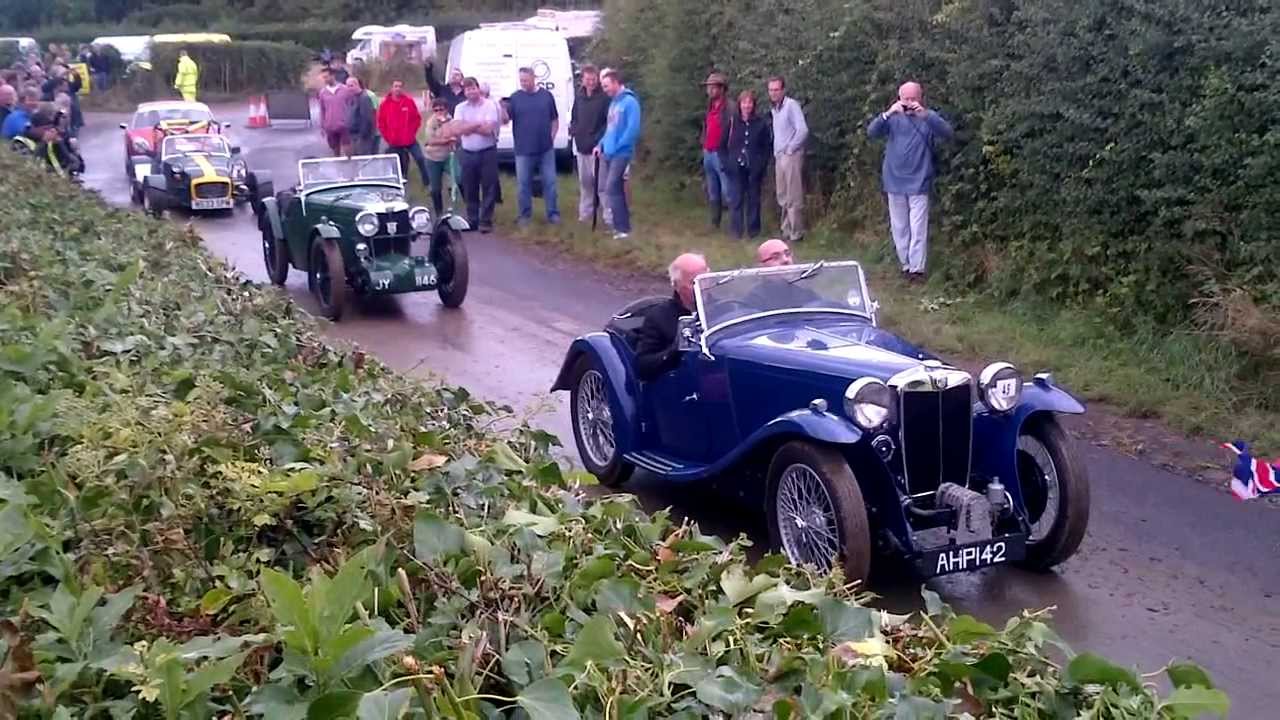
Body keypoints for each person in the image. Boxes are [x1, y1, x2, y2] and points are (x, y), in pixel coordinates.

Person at [867, 81, 954, 281]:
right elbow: (871, 132)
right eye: (905, 99)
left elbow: (948, 133)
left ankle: (917, 269)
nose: (909, 103)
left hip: (919, 179)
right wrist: (887, 113)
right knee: (899, 226)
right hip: (894, 179)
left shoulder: (927, 117)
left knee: (918, 227)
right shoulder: (892, 118)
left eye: (913, 98)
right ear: (899, 98)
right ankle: (905, 265)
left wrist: (926, 115)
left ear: (920, 98)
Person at [634, 253, 709, 381]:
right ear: (676, 285)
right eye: (694, 282)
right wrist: (675, 350)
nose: (704, 286)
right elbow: (642, 367)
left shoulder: (723, 307)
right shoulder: (659, 317)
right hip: (682, 383)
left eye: (706, 278)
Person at [506, 66, 561, 225]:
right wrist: (502, 109)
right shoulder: (515, 98)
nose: (523, 83)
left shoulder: (546, 96)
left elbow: (555, 120)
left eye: (526, 80)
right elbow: (505, 120)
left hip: (545, 149)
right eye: (521, 80)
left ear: (533, 78)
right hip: (523, 149)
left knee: (550, 182)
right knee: (523, 184)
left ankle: (553, 214)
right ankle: (525, 215)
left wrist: (551, 137)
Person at [595, 68, 641, 240]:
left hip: (621, 153)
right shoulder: (613, 104)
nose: (605, 90)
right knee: (616, 190)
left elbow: (632, 129)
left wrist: (618, 147)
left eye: (606, 86)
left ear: (616, 83)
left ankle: (622, 228)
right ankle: (622, 227)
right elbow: (610, 128)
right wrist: (600, 145)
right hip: (608, 152)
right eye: (603, 86)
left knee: (611, 188)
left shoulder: (630, 102)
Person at [454, 77, 502, 233]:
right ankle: (472, 219)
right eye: (467, 89)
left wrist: (468, 126)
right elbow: (459, 129)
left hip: (487, 151)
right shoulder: (460, 108)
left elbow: (489, 130)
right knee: (469, 187)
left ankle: (485, 221)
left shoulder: (490, 105)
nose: (471, 91)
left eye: (473, 88)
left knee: (489, 186)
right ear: (464, 91)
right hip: (467, 153)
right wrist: (477, 124)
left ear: (478, 88)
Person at [723, 89, 772, 239]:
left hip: (754, 168)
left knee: (753, 199)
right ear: (739, 104)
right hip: (736, 167)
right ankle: (736, 231)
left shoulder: (761, 123)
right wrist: (726, 162)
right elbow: (722, 144)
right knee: (736, 199)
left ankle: (753, 232)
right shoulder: (732, 121)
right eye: (744, 102)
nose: (747, 105)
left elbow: (766, 146)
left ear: (754, 105)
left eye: (750, 102)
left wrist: (761, 164)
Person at [768, 76, 808, 243]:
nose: (773, 93)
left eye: (776, 90)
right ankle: (786, 230)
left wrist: (791, 148)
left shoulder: (791, 105)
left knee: (793, 195)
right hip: (779, 156)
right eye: (771, 90)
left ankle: (796, 232)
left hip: (790, 156)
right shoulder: (775, 109)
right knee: (782, 195)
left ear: (783, 90)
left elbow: (802, 130)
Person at [569, 64, 610, 224]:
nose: (591, 82)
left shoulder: (604, 98)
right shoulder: (579, 97)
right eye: (588, 79)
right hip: (581, 146)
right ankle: (585, 215)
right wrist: (574, 130)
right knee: (585, 183)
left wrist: (598, 140)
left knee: (601, 185)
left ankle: (608, 218)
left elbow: (608, 123)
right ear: (583, 80)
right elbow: (574, 117)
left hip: (597, 148)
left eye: (593, 79)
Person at [377, 79, 431, 187]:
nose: (398, 89)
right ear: (391, 88)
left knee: (420, 158)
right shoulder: (385, 104)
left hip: (409, 140)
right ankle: (400, 182)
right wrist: (389, 137)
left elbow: (416, 119)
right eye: (395, 86)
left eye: (400, 86)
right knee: (399, 163)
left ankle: (428, 182)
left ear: (403, 89)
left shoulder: (408, 101)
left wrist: (411, 133)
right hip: (394, 141)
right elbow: (381, 123)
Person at [700, 71, 733, 230]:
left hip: (722, 153)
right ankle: (715, 223)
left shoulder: (730, 108)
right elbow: (706, 127)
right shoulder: (710, 106)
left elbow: (733, 132)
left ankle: (735, 223)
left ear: (721, 89)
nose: (710, 90)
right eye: (709, 87)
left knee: (727, 190)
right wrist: (703, 144)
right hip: (708, 152)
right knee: (712, 190)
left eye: (713, 87)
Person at [421, 98, 458, 217]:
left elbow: (455, 136)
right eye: (435, 110)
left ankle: (455, 208)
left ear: (446, 109)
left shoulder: (451, 120)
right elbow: (430, 141)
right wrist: (446, 141)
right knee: (435, 187)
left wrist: (446, 137)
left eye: (441, 109)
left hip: (449, 156)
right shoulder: (431, 122)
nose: (438, 112)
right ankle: (438, 213)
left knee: (456, 181)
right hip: (433, 158)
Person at [317, 67, 353, 157]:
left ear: (333, 76)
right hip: (330, 126)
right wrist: (322, 126)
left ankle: (350, 167)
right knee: (335, 151)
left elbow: (352, 105)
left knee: (348, 150)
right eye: (324, 77)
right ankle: (339, 169)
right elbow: (322, 110)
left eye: (327, 77)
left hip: (344, 125)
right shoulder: (323, 93)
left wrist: (350, 120)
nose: (325, 79)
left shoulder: (345, 89)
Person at [345, 77, 377, 156]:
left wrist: (362, 136)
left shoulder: (364, 98)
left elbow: (367, 119)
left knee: (363, 158)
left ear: (357, 85)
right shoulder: (353, 97)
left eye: (351, 86)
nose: (349, 88)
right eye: (347, 86)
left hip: (362, 137)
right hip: (353, 136)